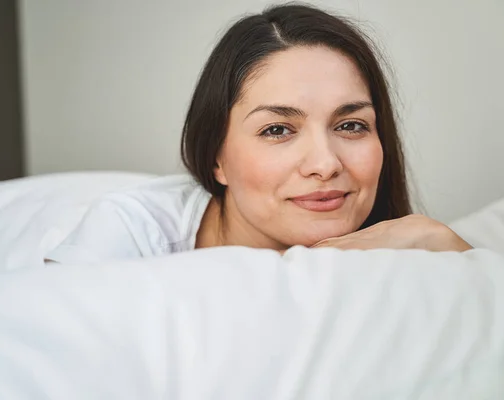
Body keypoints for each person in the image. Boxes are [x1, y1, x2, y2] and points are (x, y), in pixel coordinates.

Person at [45, 3, 471, 265]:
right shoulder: (128, 234)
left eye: (350, 125)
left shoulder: (404, 251)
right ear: (216, 156)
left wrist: (457, 256)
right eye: (277, 129)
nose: (325, 164)